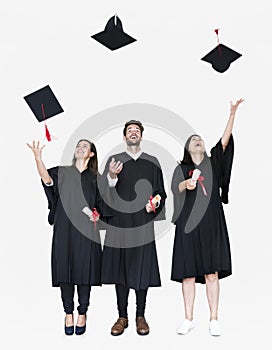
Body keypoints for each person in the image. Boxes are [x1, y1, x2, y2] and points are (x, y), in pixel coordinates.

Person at [171, 99, 244, 336]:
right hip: (188, 225)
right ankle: (188, 318)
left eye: (200, 139)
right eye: (194, 140)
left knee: (211, 272)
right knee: (188, 273)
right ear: (188, 148)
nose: (198, 141)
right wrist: (187, 183)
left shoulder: (212, 163)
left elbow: (224, 141)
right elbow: (175, 188)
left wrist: (232, 114)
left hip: (211, 222)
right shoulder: (181, 168)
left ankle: (213, 318)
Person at [27, 139, 104, 336]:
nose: (80, 148)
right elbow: (47, 180)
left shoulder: (96, 178)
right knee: (65, 268)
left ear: (91, 154)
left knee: (85, 270)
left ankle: (83, 312)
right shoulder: (63, 171)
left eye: (84, 147)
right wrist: (38, 158)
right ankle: (68, 312)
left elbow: (104, 204)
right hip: (64, 226)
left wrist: (97, 214)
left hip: (87, 229)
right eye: (78, 146)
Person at [99, 120, 167, 336]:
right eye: (130, 131)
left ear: (141, 136)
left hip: (142, 222)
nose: (133, 133)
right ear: (124, 137)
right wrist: (111, 176)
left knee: (141, 268)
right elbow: (103, 191)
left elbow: (160, 193)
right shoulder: (114, 161)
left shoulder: (152, 162)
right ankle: (122, 316)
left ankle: (140, 315)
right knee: (120, 269)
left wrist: (154, 203)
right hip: (119, 222)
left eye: (137, 130)